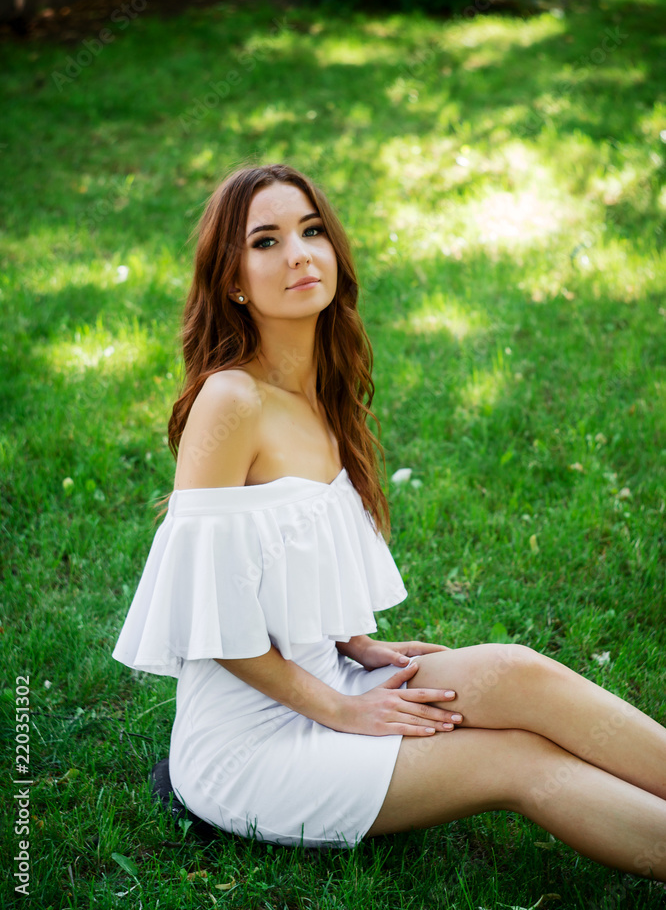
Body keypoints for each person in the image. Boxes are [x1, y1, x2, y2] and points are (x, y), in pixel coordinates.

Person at [113, 163, 666, 878]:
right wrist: (341, 712)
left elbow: (280, 551)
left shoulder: (321, 394)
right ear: (233, 281)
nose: (301, 253)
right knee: (518, 760)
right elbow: (208, 614)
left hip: (329, 680)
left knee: (516, 670)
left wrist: (352, 642)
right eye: (267, 241)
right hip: (250, 749)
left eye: (312, 231)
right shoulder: (231, 401)